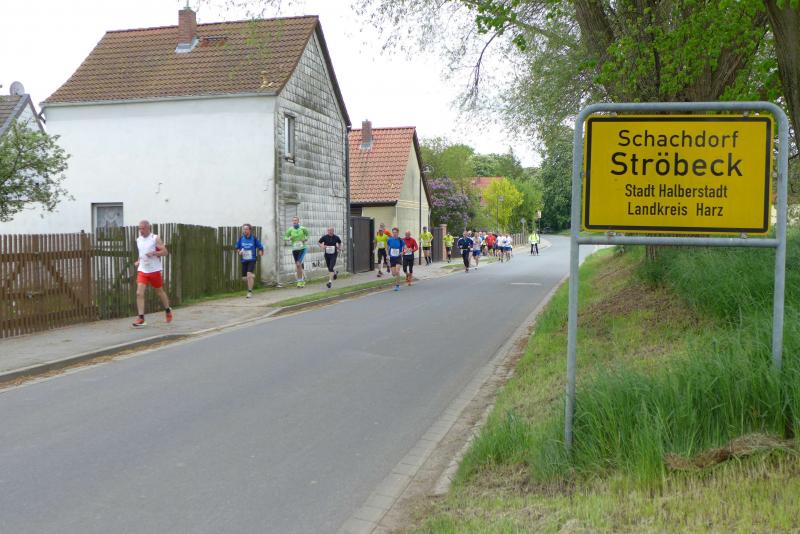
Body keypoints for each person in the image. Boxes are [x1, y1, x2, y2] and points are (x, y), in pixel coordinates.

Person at [132, 220, 172, 328]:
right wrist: (138, 261)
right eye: (139, 228)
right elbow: (141, 254)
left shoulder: (155, 238)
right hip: (143, 270)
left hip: (154, 270)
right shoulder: (138, 240)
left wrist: (154, 253)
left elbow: (165, 252)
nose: (141, 231)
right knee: (139, 293)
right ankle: (141, 318)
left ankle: (167, 310)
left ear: (148, 228)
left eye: (143, 228)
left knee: (159, 292)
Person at [235, 223, 265, 299]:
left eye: (246, 229)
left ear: (250, 230)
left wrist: (260, 251)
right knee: (244, 278)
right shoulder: (241, 238)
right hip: (244, 260)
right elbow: (237, 248)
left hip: (252, 259)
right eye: (244, 229)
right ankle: (252, 276)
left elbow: (260, 247)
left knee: (248, 274)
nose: (245, 230)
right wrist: (239, 252)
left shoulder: (254, 238)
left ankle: (249, 292)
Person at [284, 216, 310, 287]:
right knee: (298, 266)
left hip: (302, 249)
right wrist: (289, 238)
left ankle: (300, 281)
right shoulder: (290, 229)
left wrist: (305, 239)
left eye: (296, 220)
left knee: (298, 264)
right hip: (295, 249)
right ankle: (301, 280)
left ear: (298, 221)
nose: (294, 222)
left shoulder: (303, 228)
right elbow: (285, 237)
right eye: (293, 221)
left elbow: (308, 235)